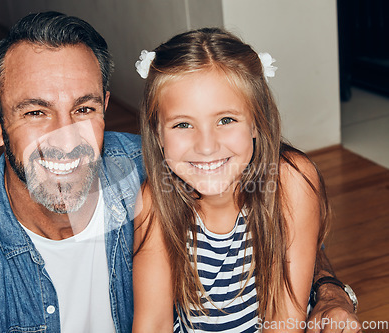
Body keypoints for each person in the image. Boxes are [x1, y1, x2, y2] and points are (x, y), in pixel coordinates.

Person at [0, 11, 358, 333]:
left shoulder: (163, 172)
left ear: (104, 107)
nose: (65, 138)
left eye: (82, 108)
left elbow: (279, 217)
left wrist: (330, 291)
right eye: (36, 113)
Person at [132, 28, 360, 333]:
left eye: (226, 120)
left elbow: (285, 322)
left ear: (256, 121)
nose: (206, 146)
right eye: (183, 124)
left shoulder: (290, 180)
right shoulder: (154, 202)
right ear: (158, 134)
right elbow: (153, 323)